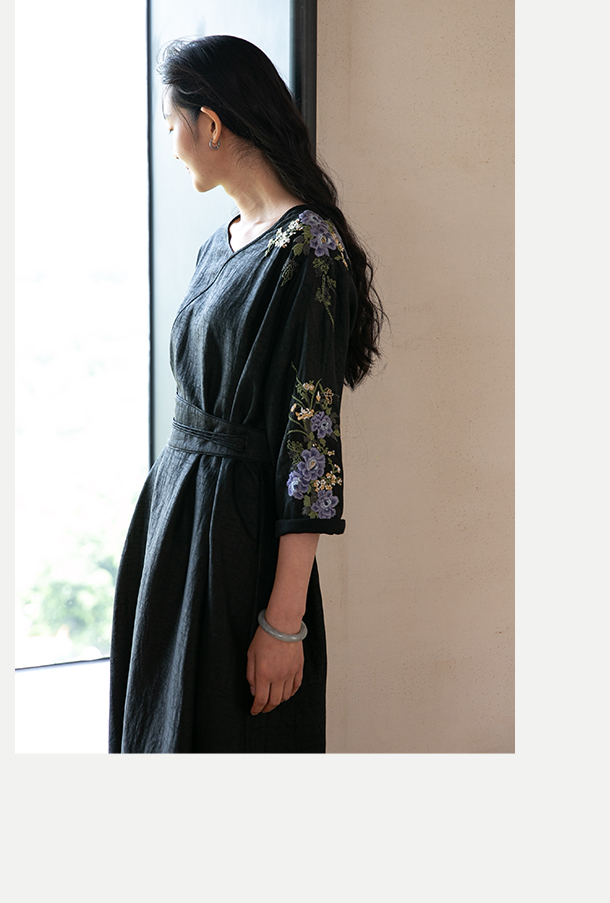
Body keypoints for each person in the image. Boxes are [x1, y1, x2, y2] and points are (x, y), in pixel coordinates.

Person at [109, 34, 383, 753]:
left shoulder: (309, 248)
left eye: (171, 123)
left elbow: (310, 448)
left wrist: (284, 622)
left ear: (210, 124)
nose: (170, 146)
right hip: (176, 518)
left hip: (239, 538)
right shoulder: (220, 241)